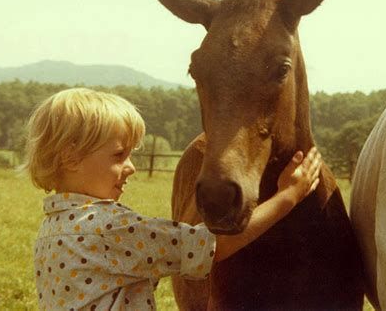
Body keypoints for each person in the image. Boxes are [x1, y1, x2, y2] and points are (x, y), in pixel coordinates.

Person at [23, 88, 322, 310]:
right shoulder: (107, 228)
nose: (131, 167)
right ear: (71, 157)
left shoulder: (51, 229)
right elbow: (212, 245)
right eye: (118, 155)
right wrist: (288, 196)